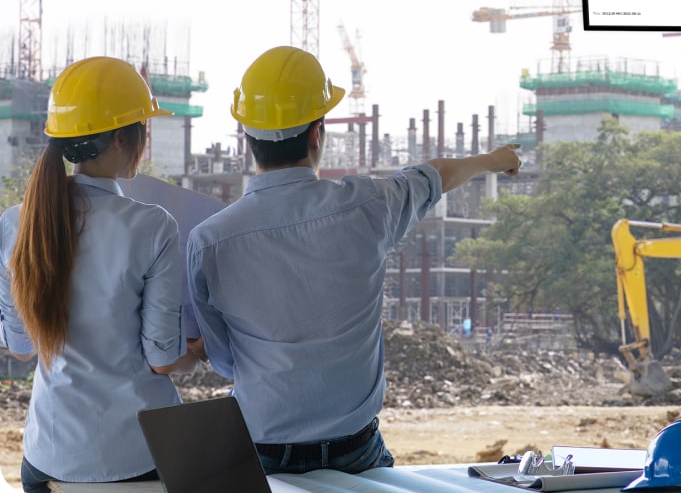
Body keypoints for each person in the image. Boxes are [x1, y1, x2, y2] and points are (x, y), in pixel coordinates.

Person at [186, 45, 522, 477]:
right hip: (356, 452)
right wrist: (493, 161)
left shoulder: (209, 241)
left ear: (247, 137)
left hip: (263, 453)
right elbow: (436, 175)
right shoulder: (370, 204)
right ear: (316, 133)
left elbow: (226, 361)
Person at [0, 56, 203, 492]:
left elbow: (19, 347)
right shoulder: (152, 226)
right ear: (120, 139)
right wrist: (199, 353)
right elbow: (163, 359)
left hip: (48, 460)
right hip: (137, 459)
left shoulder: (16, 223)